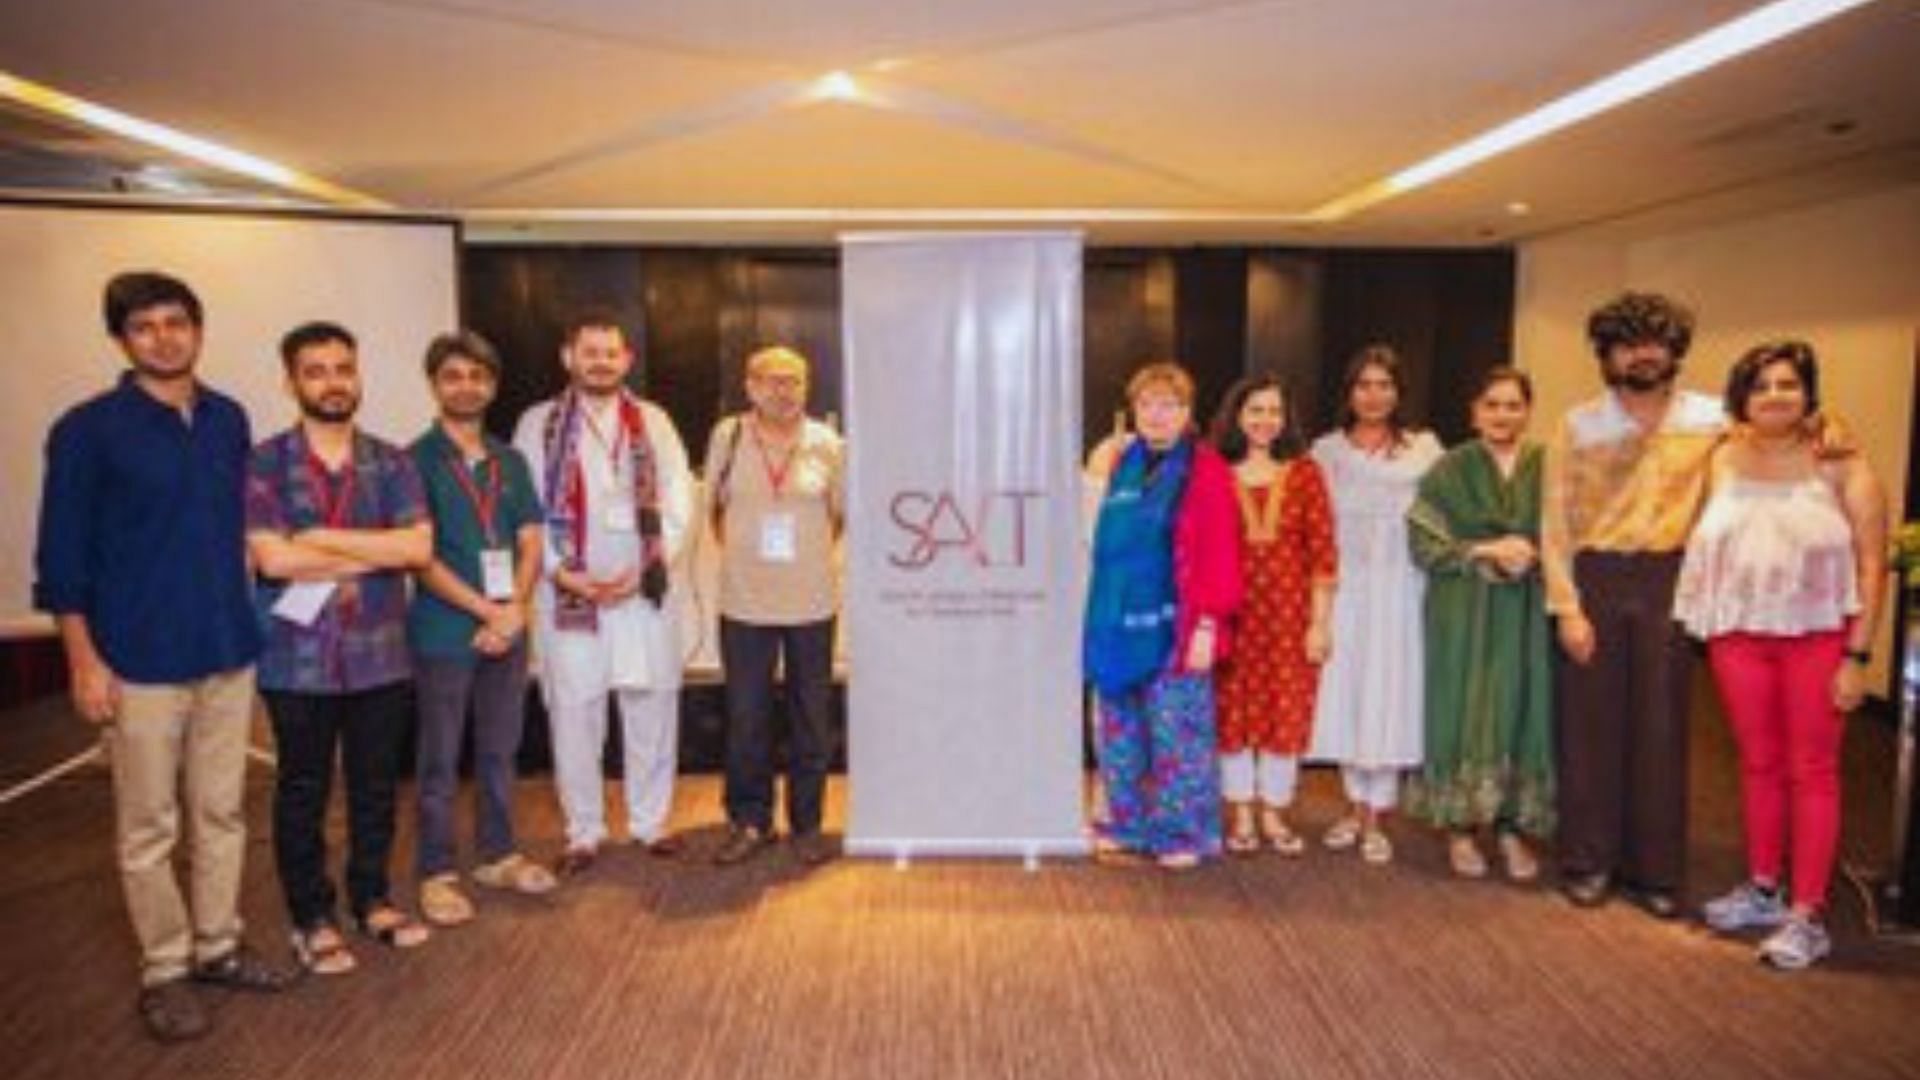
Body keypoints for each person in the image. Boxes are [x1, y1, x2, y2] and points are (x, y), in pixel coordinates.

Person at [34, 272, 289, 1041]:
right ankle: (166, 968)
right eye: (144, 327)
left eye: (176, 322)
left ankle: (217, 945)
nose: (163, 337)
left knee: (221, 811)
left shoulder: (228, 419)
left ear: (198, 330)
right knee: (148, 825)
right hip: (137, 658)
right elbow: (61, 559)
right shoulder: (87, 430)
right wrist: (83, 660)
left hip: (225, 646)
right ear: (122, 340)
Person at [1675, 341, 1888, 969]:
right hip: (1738, 633)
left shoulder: (1842, 463)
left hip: (1819, 637)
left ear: (1809, 394)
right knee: (1759, 763)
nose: (1775, 396)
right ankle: (1765, 887)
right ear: (1741, 397)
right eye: (1762, 386)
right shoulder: (1721, 456)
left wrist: (1859, 655)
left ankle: (1808, 913)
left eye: (1788, 385)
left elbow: (1874, 567)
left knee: (1812, 769)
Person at [246, 321, 435, 973]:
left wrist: (320, 536)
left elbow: (417, 549)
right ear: (291, 381)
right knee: (302, 790)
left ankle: (372, 899)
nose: (333, 382)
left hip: (381, 654)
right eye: (316, 370)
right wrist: (369, 549)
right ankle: (311, 916)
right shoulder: (264, 461)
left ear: (358, 375)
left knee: (375, 787)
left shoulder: (392, 460)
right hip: (294, 660)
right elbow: (271, 561)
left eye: (343, 368)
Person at [1540, 292, 1721, 918]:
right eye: (1628, 344)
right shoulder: (1580, 424)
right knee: (1589, 729)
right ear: (1606, 354)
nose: (1643, 355)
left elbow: (1768, 454)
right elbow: (1555, 520)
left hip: (1673, 578)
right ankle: (1588, 861)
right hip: (1597, 576)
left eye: (1656, 344)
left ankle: (1656, 871)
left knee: (1662, 727)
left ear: (1674, 351)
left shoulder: (1713, 420)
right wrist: (1566, 607)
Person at [513, 311, 694, 876]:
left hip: (642, 592)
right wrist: (564, 572)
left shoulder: (654, 421)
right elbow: (528, 509)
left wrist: (648, 564)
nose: (600, 361)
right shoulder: (538, 422)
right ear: (569, 357)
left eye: (610, 353)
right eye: (589, 351)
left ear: (626, 360)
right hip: (572, 594)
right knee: (575, 714)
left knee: (651, 708)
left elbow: (679, 497)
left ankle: (650, 823)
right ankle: (584, 831)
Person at [408, 331, 557, 926]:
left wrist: (514, 609)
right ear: (436, 384)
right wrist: (486, 610)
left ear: (492, 385)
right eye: (453, 376)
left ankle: (497, 854)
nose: (466, 386)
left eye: (477, 376)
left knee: (500, 750)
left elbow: (530, 540)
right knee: (440, 758)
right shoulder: (411, 461)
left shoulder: (510, 459)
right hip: (445, 632)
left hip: (508, 628)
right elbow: (419, 556)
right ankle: (435, 871)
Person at [1084, 362, 1242, 870]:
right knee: (1119, 733)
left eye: (1168, 404)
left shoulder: (1206, 469)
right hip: (1113, 621)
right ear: (1133, 411)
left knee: (1179, 733)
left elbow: (1220, 551)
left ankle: (1183, 832)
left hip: (1178, 623)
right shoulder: (1116, 462)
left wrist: (1207, 624)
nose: (1157, 414)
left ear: (1187, 413)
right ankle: (1127, 825)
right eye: (1147, 404)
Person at [1407, 366, 1553, 881]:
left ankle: (1512, 829)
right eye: (1492, 404)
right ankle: (1461, 828)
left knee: (1523, 707)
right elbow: (1424, 544)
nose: (1502, 415)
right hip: (1462, 608)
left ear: (1528, 411)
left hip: (1529, 609)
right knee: (1464, 708)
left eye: (1513, 405)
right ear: (1474, 412)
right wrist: (1488, 548)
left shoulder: (1549, 466)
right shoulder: (1449, 469)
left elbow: (1574, 531)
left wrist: (1534, 552)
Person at [705, 346, 845, 867]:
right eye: (772, 380)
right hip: (744, 602)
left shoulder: (828, 443)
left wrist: (802, 561)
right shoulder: (729, 436)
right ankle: (749, 820)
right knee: (747, 717)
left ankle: (807, 825)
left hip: (812, 602)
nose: (784, 391)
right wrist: (749, 561)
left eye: (795, 381)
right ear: (751, 386)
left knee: (811, 718)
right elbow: (714, 512)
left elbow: (840, 517)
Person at [1309, 346, 1444, 865]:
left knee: (1391, 692)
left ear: (1398, 392)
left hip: (1403, 587)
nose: (1374, 395)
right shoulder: (1327, 451)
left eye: (1384, 384)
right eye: (1364, 384)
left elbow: (1443, 518)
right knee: (1346, 692)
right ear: (1349, 392)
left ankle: (1377, 814)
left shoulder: (1425, 448)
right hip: (1346, 589)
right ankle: (1351, 805)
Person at [1208, 373, 1336, 856]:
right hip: (1232, 612)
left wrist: (1319, 623)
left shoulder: (1305, 472)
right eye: (1255, 410)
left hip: (1290, 617)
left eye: (1274, 412)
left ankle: (1274, 812)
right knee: (1233, 712)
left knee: (1286, 711)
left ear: (1286, 419)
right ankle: (1240, 812)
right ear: (1237, 416)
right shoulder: (1215, 471)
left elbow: (1323, 552)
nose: (1265, 420)